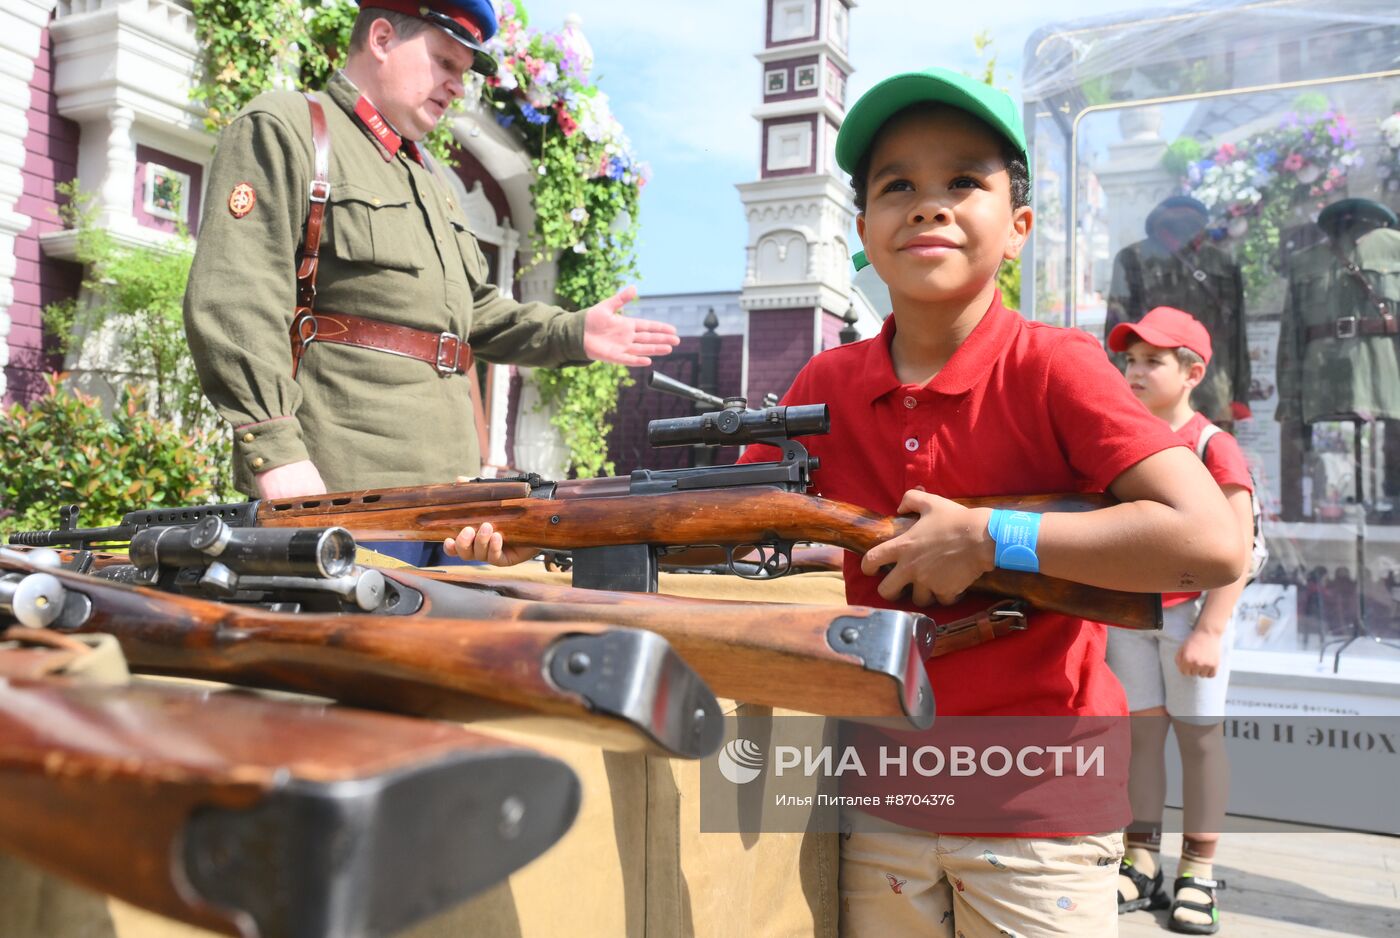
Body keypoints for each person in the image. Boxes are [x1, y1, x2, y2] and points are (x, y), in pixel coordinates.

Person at [447, 67, 1245, 936]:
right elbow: (721, 527)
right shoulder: (829, 380)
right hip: (885, 797)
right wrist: (531, 533)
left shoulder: (1055, 366)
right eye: (897, 184)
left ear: (1016, 227)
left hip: (1039, 806)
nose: (929, 205)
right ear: (861, 226)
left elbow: (1208, 540)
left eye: (963, 182)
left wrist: (988, 537)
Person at [183, 0, 678, 564]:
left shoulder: (430, 179)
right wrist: (275, 454)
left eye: (463, 72)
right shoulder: (291, 128)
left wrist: (572, 332)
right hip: (340, 496)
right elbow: (233, 297)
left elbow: (475, 311)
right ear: (382, 38)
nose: (456, 86)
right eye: (445, 62)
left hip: (451, 505)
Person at [1106, 307, 1254, 935]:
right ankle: (1141, 854)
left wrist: (1212, 629)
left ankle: (1199, 868)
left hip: (1191, 614)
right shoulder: (1119, 437)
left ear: (1192, 372)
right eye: (1130, 360)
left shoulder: (1210, 444)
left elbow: (1238, 545)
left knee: (1199, 740)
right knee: (1142, 738)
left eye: (1152, 361)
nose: (1135, 372)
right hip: (1128, 609)